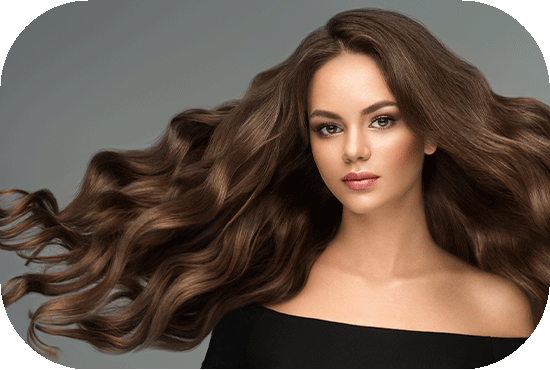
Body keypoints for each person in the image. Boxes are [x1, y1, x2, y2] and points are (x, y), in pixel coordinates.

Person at [1, 7, 548, 368]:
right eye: (328, 127)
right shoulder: (264, 294)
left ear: (430, 131)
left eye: (382, 120)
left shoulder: (499, 311)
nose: (353, 149)